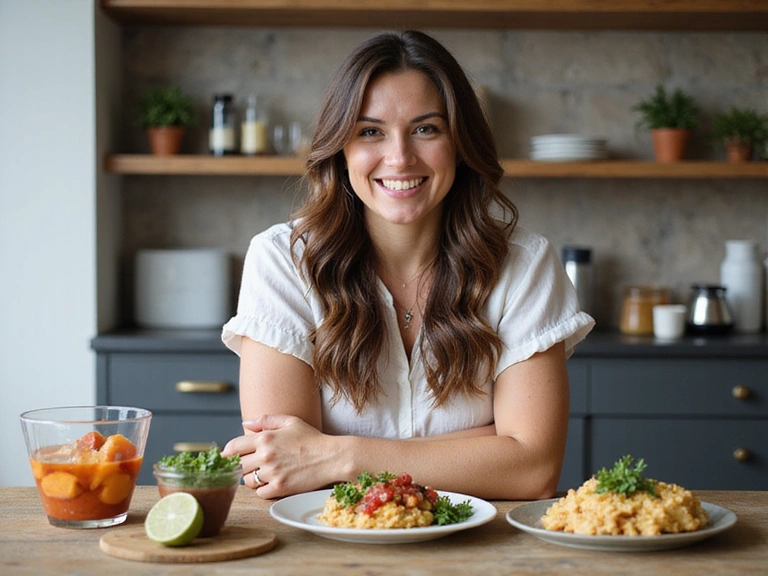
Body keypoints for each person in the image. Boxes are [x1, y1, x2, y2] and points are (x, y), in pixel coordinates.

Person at [221, 30, 594, 501]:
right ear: (341, 147)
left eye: (426, 129)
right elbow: (285, 471)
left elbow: (533, 469)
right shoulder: (283, 261)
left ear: (459, 143)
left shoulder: (523, 264)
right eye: (370, 131)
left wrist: (339, 455)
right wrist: (488, 450)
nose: (399, 158)